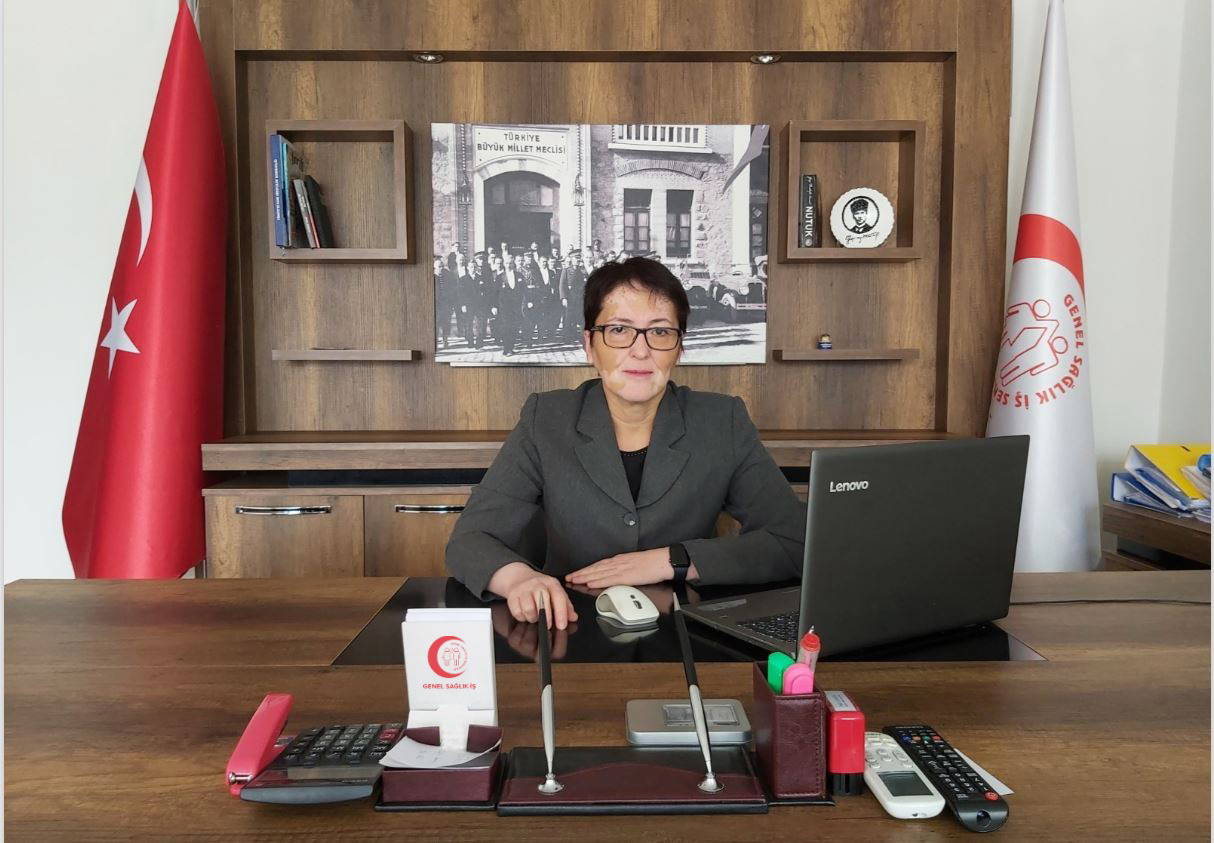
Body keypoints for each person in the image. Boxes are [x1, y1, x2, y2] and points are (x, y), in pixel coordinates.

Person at [445, 256, 806, 628]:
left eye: (660, 332)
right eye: (619, 330)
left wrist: (672, 560)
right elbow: (470, 539)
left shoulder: (721, 421)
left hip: (684, 629)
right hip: (571, 624)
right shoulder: (547, 419)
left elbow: (794, 540)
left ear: (679, 347)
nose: (640, 350)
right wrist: (519, 579)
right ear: (590, 344)